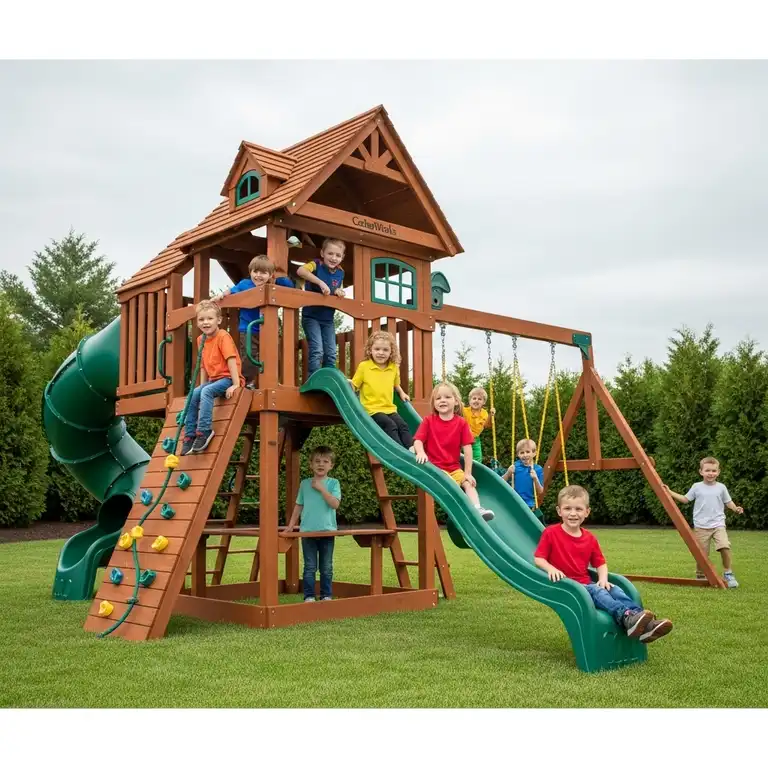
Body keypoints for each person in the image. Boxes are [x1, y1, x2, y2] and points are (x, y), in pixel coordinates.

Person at [534, 485, 673, 643]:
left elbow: (600, 563)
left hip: (585, 583)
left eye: (578, 509)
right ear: (559, 511)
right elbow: (539, 558)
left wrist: (603, 579)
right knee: (597, 591)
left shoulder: (589, 538)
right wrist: (551, 569)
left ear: (587, 512)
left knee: (615, 590)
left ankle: (645, 625)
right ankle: (625, 617)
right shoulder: (551, 533)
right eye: (567, 509)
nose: (573, 513)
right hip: (566, 586)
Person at [413, 381, 495, 522]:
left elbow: (467, 449)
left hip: (454, 468)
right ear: (434, 403)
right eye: (438, 398)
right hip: (435, 468)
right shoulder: (428, 421)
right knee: (449, 482)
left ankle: (477, 508)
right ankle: (463, 508)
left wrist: (468, 473)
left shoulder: (461, 423)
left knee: (468, 483)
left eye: (447, 397)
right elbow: (418, 440)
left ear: (456, 401)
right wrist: (420, 452)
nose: (442, 400)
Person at [664, 457, 744, 587]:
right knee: (702, 554)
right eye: (707, 470)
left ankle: (728, 573)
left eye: (713, 471)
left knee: (724, 546)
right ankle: (700, 575)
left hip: (718, 524)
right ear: (701, 472)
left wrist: (735, 508)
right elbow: (685, 499)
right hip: (701, 526)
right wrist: (669, 492)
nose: (711, 473)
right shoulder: (697, 487)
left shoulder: (721, 487)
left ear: (718, 472)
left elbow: (728, 502)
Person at [216, 255, 294, 389]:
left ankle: (272, 382)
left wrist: (278, 278)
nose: (258, 275)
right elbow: (231, 291)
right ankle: (245, 382)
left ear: (270, 275)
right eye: (255, 272)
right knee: (249, 356)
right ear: (250, 272)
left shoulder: (273, 286)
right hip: (248, 329)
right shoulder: (245, 284)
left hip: (268, 329)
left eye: (263, 273)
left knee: (271, 356)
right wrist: (221, 295)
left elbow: (291, 286)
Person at [181, 300, 244, 456]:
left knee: (206, 392)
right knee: (194, 394)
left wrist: (236, 384)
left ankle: (204, 431)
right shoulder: (200, 340)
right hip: (213, 380)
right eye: (201, 319)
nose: (206, 322)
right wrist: (201, 386)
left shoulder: (223, 336)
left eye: (210, 318)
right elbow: (203, 366)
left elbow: (231, 359)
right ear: (197, 322)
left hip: (228, 378)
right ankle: (190, 435)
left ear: (219, 320)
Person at [285, 446, 341, 602]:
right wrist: (291, 525)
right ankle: (309, 596)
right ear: (311, 464)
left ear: (331, 465)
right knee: (309, 567)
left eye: (325, 461)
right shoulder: (304, 484)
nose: (321, 464)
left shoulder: (334, 483)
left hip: (327, 532)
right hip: (307, 532)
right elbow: (299, 505)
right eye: (317, 461)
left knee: (326, 567)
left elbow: (335, 504)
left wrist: (322, 489)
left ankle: (326, 595)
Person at [350, 330, 413, 448]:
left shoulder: (393, 368)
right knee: (390, 425)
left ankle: (411, 449)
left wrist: (402, 393)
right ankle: (399, 450)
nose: (381, 353)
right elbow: (355, 385)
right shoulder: (364, 366)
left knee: (402, 425)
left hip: (389, 408)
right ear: (370, 350)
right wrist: (348, 384)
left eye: (385, 350)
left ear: (391, 352)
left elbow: (396, 384)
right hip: (371, 409)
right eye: (377, 349)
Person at [297, 238, 345, 376]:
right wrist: (320, 282)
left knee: (331, 353)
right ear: (322, 253)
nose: (334, 258)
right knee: (317, 350)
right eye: (330, 253)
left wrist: (339, 291)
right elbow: (301, 271)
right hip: (311, 316)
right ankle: (314, 379)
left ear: (342, 257)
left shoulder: (340, 272)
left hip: (328, 319)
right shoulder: (316, 264)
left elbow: (338, 288)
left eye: (338, 255)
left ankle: (327, 379)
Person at [502, 438, 545, 523]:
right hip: (515, 502)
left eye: (528, 452)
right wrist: (508, 473)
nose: (525, 455)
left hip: (529, 504)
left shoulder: (538, 469)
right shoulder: (515, 466)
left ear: (534, 453)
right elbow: (501, 481)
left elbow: (540, 491)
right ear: (518, 454)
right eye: (522, 452)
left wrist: (535, 478)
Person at [462, 387, 496, 462]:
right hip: (462, 436)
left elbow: (487, 426)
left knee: (477, 458)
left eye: (479, 399)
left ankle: (474, 468)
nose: (476, 400)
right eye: (474, 398)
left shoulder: (484, 413)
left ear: (484, 402)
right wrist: (459, 404)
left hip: (475, 439)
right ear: (470, 400)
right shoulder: (464, 410)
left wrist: (491, 415)